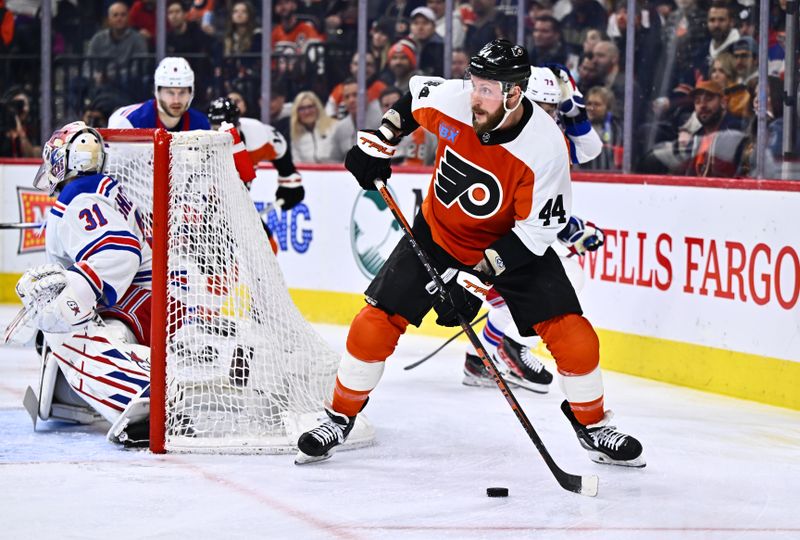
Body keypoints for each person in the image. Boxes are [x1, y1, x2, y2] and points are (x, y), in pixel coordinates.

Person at [296, 39, 645, 469]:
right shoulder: (454, 100)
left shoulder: (544, 147)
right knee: (373, 323)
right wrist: (380, 141)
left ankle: (592, 426)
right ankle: (339, 417)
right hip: (436, 233)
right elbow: (411, 100)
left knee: (575, 336)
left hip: (512, 246)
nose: (474, 97)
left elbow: (536, 231)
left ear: (514, 94)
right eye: (473, 83)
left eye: (487, 89)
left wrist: (473, 282)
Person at [461, 64, 604, 393]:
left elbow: (591, 149)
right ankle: (507, 348)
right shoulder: (504, 138)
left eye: (553, 108)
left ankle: (478, 358)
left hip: (511, 238)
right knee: (561, 279)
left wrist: (572, 103)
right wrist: (567, 231)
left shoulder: (548, 137)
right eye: (541, 106)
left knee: (539, 284)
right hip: (490, 242)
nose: (547, 115)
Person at [14, 121, 155, 446]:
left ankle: (143, 394)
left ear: (65, 161)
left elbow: (120, 252)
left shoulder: (77, 199)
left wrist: (72, 292)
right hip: (151, 297)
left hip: (140, 301)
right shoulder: (95, 188)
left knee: (63, 326)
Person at [207, 97, 304, 253]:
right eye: (215, 127)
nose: (220, 134)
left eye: (225, 128)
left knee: (268, 249)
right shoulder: (201, 145)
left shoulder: (257, 134)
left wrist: (289, 179)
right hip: (207, 212)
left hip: (239, 205)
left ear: (238, 124)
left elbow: (279, 147)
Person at [107, 57, 211, 131]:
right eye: (170, 93)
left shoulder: (201, 124)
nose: (176, 100)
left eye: (182, 92)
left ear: (191, 93)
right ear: (157, 92)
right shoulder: (128, 121)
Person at [289, 91, 337, 163]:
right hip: (309, 174)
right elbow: (297, 163)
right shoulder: (296, 136)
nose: (307, 112)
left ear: (317, 108)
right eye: (302, 109)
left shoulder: (334, 126)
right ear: (297, 113)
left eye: (310, 107)